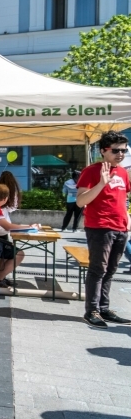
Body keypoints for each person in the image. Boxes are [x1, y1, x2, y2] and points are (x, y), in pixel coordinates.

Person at [76, 131, 131, 329]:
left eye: (123, 150)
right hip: (100, 227)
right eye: (115, 150)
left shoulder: (123, 172)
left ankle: (104, 307)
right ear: (103, 151)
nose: (120, 154)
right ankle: (91, 310)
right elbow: (81, 201)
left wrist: (127, 218)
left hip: (121, 228)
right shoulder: (92, 171)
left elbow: (123, 198)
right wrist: (101, 183)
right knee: (98, 269)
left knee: (110, 270)